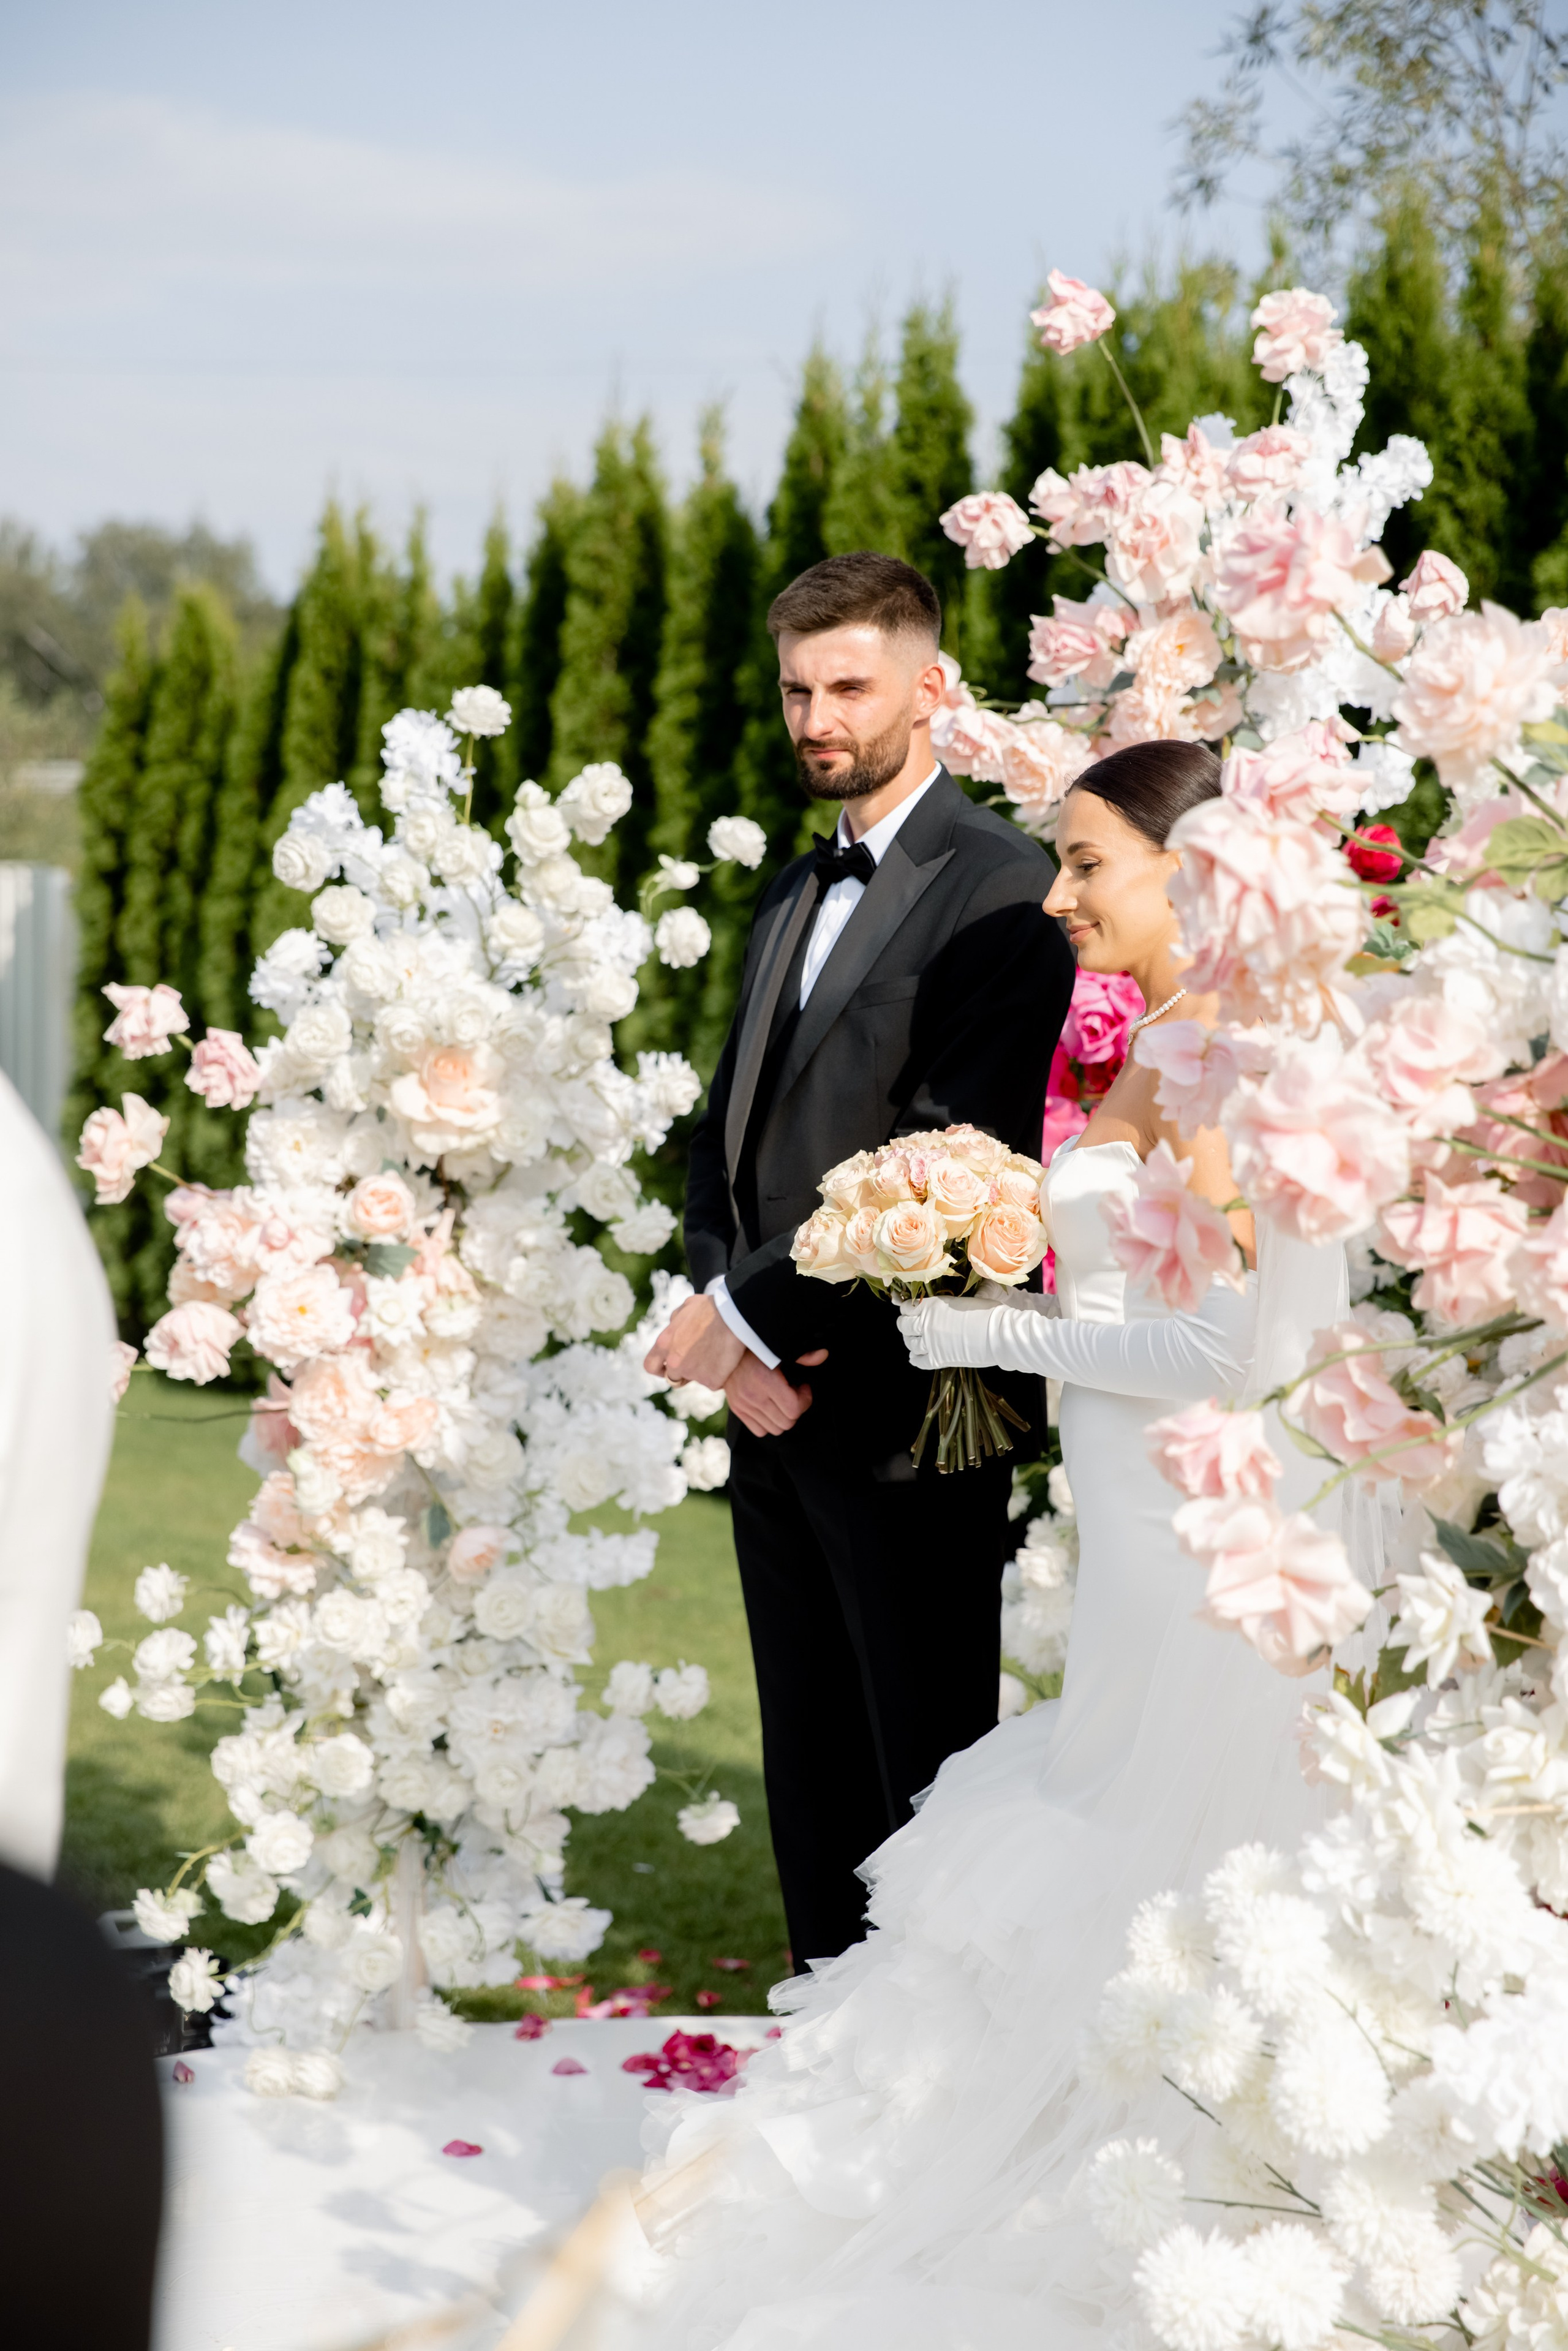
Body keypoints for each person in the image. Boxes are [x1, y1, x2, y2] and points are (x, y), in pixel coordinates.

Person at [636, 741, 1348, 2351]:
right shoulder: (1158, 1037)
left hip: (1185, 1520)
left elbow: (1229, 1346)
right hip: (1126, 1517)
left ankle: (1168, 2185)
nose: (1055, 894)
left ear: (1193, 870)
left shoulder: (1225, 1056)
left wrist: (981, 1327)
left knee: (1143, 1830)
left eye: (1089, 862)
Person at [644, 552, 1074, 1966]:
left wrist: (745, 1318)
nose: (817, 717)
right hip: (772, 1413)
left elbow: (951, 1153)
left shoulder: (1003, 889)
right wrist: (730, 1327)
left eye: (848, 686)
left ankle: (936, 2065)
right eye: (796, 690)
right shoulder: (789, 891)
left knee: (922, 1784)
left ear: (928, 685)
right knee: (810, 1775)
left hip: (912, 1412)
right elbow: (725, 1135)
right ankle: (814, 2052)